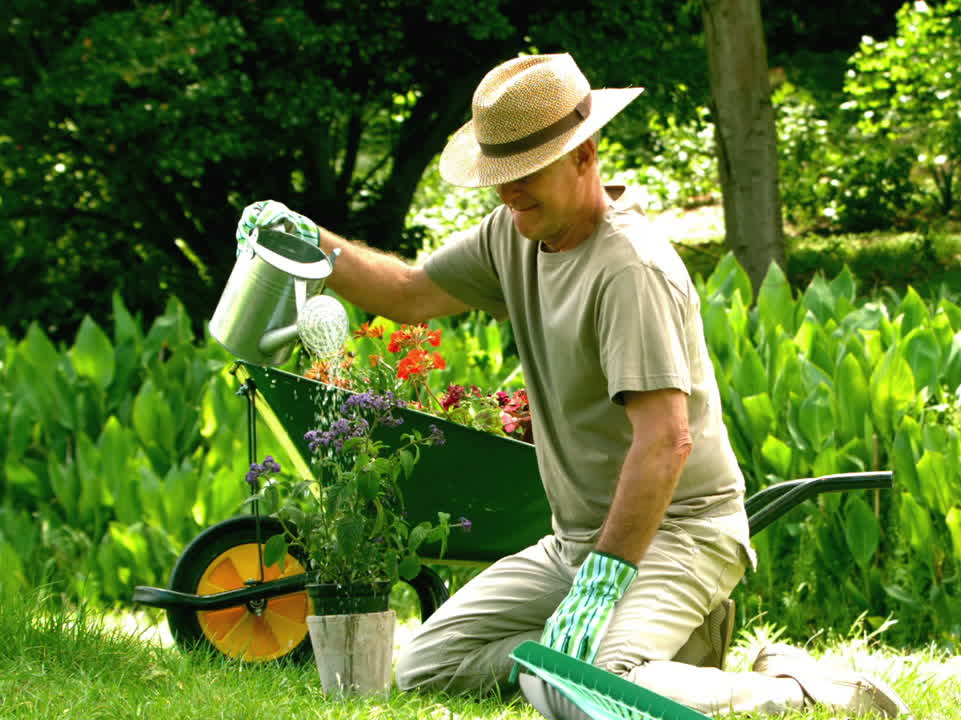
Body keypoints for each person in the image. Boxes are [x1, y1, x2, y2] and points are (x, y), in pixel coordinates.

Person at [237, 53, 907, 718]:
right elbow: (411, 294)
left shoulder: (629, 270)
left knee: (576, 688)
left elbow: (665, 441)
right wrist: (306, 240)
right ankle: (643, 662)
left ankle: (802, 690)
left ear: (583, 155)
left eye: (524, 174)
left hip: (682, 532)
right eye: (499, 176)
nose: (508, 192)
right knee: (426, 665)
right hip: (574, 542)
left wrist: (604, 583)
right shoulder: (514, 232)